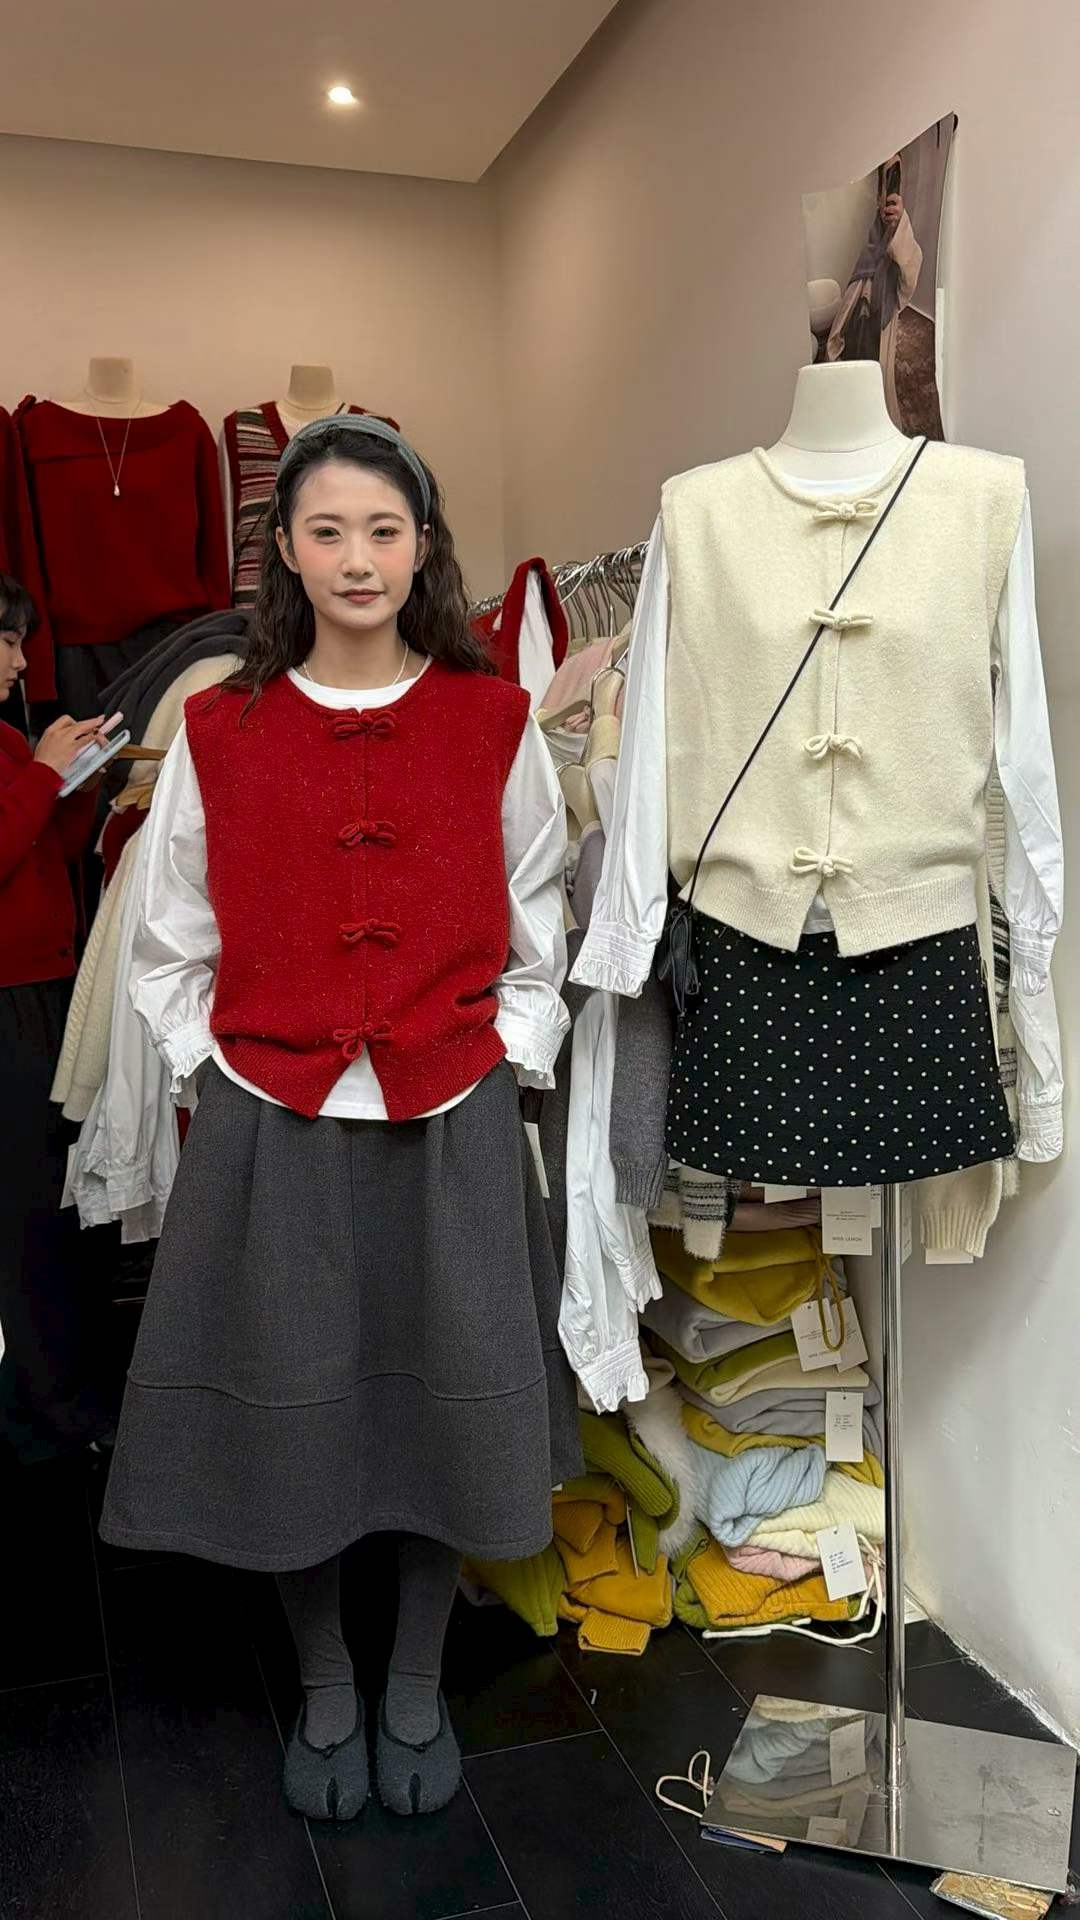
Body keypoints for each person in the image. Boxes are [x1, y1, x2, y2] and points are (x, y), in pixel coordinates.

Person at [98, 418, 581, 1821]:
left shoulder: (495, 722)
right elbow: (167, 941)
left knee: (449, 1403)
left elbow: (539, 923)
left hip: (451, 1111)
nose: (358, 557)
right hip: (276, 1118)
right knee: (291, 1406)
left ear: (423, 547)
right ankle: (324, 1682)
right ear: (287, 554)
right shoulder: (220, 730)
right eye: (328, 530)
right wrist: (218, 1066)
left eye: (384, 529)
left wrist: (502, 1055)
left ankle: (414, 1680)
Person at [0, 574, 113, 1463]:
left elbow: (45, 851)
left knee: (56, 1198)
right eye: (5, 641)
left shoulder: (8, 741)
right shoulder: (16, 751)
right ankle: (45, 1408)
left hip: (44, 988)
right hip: (7, 999)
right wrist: (43, 774)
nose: (18, 661)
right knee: (29, 1209)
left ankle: (61, 1391)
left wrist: (76, 788)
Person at [826, 153, 924, 425]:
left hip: (879, 318)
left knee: (877, 376)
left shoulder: (899, 236)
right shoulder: (874, 237)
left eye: (893, 177)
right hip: (860, 316)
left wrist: (899, 221)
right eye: (885, 179)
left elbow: (909, 272)